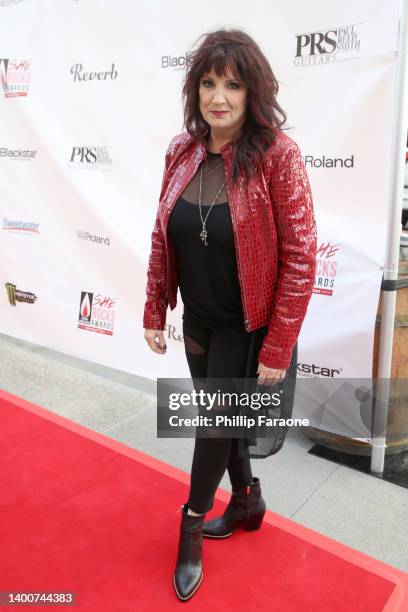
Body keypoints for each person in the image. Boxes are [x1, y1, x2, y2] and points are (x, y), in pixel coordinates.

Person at [143, 28, 317, 602]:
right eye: (209, 83)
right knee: (226, 424)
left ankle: (191, 524)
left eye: (233, 85)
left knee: (215, 426)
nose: (218, 97)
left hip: (248, 326)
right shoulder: (182, 150)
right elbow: (162, 236)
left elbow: (300, 257)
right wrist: (154, 304)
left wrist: (278, 345)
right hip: (197, 318)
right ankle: (246, 501)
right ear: (195, 90)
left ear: (252, 92)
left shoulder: (277, 157)